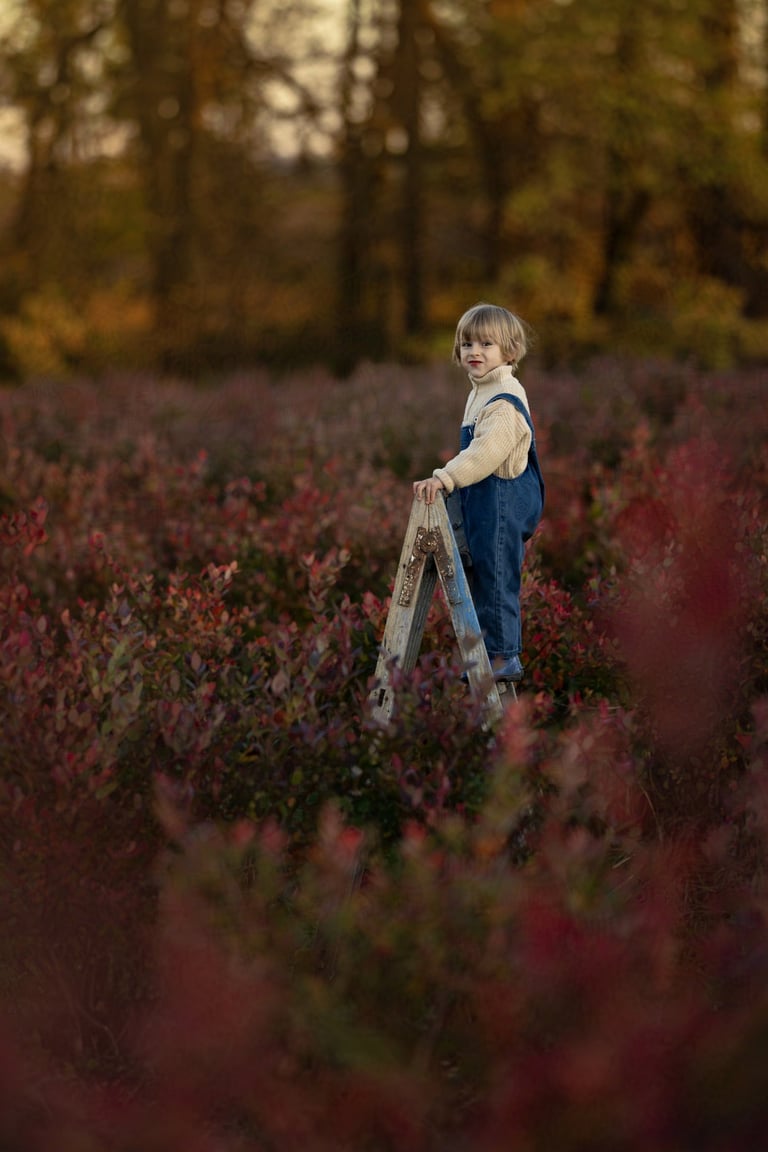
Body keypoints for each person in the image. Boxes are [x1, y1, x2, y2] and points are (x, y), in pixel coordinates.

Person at [413, 302, 545, 683]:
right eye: (467, 344)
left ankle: (503, 656)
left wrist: (445, 477)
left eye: (486, 344)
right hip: (485, 501)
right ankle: (481, 653)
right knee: (477, 573)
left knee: (496, 574)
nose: (474, 352)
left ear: (509, 351)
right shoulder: (481, 390)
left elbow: (484, 454)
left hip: (502, 500)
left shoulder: (503, 399)